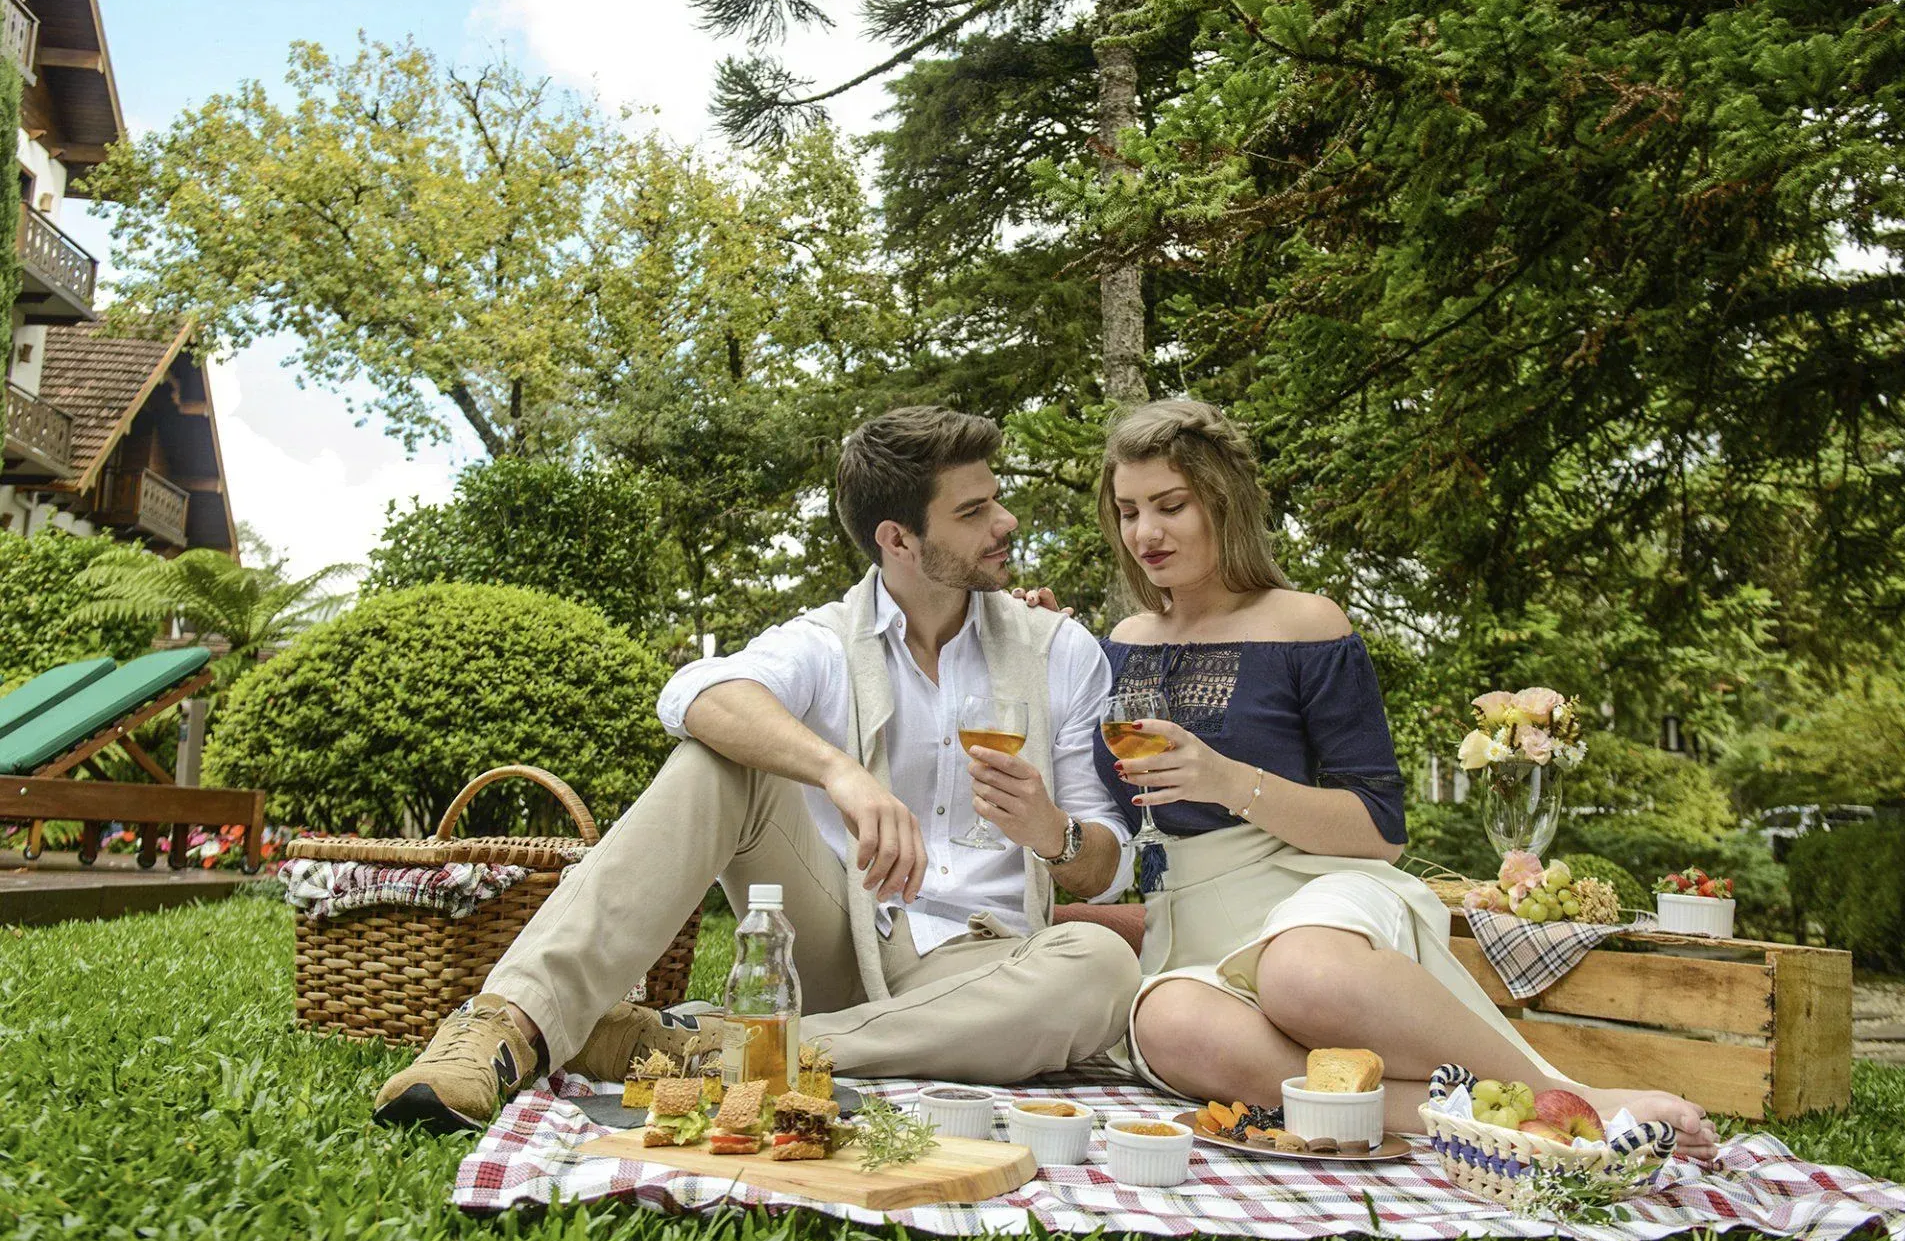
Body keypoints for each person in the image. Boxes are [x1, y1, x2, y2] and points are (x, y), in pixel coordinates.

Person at [373, 407, 1140, 1133]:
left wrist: (1055, 833)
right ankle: (507, 1023)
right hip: (832, 936)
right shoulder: (827, 640)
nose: (1006, 523)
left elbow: (1108, 872)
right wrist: (839, 772)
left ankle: (721, 1047)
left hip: (978, 968)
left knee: (1101, 967)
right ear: (898, 540)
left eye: (995, 499)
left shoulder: (1058, 651)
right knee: (719, 757)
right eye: (973, 512)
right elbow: (695, 695)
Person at [1079, 398, 1718, 1157]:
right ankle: (1487, 1118)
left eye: (1170, 506)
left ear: (1224, 503)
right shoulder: (1122, 643)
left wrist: (1229, 780)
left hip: (1311, 891)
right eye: (1128, 512)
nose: (1145, 534)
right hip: (1187, 918)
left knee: (1302, 976)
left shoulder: (1307, 624)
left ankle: (1577, 1099)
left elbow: (1380, 829)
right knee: (1168, 1027)